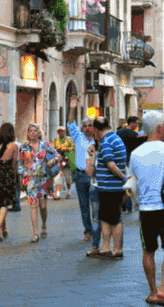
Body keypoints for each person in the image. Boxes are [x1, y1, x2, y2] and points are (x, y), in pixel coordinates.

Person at [129, 111, 164, 307]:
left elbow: (133, 179)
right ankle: (163, 290)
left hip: (145, 208)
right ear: (160, 129)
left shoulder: (135, 154)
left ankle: (153, 292)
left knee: (148, 250)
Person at [89, 116, 127, 259]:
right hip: (105, 187)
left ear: (97, 130)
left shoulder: (106, 142)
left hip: (112, 187)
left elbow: (111, 165)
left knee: (114, 219)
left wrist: (123, 178)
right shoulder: (115, 138)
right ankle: (105, 247)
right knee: (104, 218)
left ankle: (117, 249)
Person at [18, 122, 61, 243]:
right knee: (33, 205)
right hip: (30, 179)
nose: (33, 133)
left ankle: (44, 224)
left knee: (43, 206)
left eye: (35, 130)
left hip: (43, 179)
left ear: (39, 133)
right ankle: (35, 233)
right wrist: (20, 178)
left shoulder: (45, 144)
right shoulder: (24, 147)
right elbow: (20, 164)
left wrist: (53, 161)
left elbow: (58, 155)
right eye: (30, 131)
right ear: (27, 133)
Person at [67, 102, 97, 243]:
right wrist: (72, 107)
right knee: (84, 205)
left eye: (89, 125)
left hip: (96, 177)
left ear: (94, 127)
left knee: (96, 206)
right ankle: (88, 231)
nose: (87, 128)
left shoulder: (99, 139)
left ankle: (98, 231)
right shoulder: (78, 136)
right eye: (84, 126)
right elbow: (70, 122)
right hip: (80, 175)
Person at [52, 126, 75, 200]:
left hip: (67, 160)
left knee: (68, 178)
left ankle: (69, 192)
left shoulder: (69, 139)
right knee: (58, 178)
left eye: (62, 131)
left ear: (65, 132)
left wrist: (65, 149)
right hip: (58, 161)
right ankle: (57, 194)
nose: (60, 133)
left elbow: (73, 148)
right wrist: (56, 149)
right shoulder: (55, 140)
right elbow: (52, 150)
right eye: (59, 131)